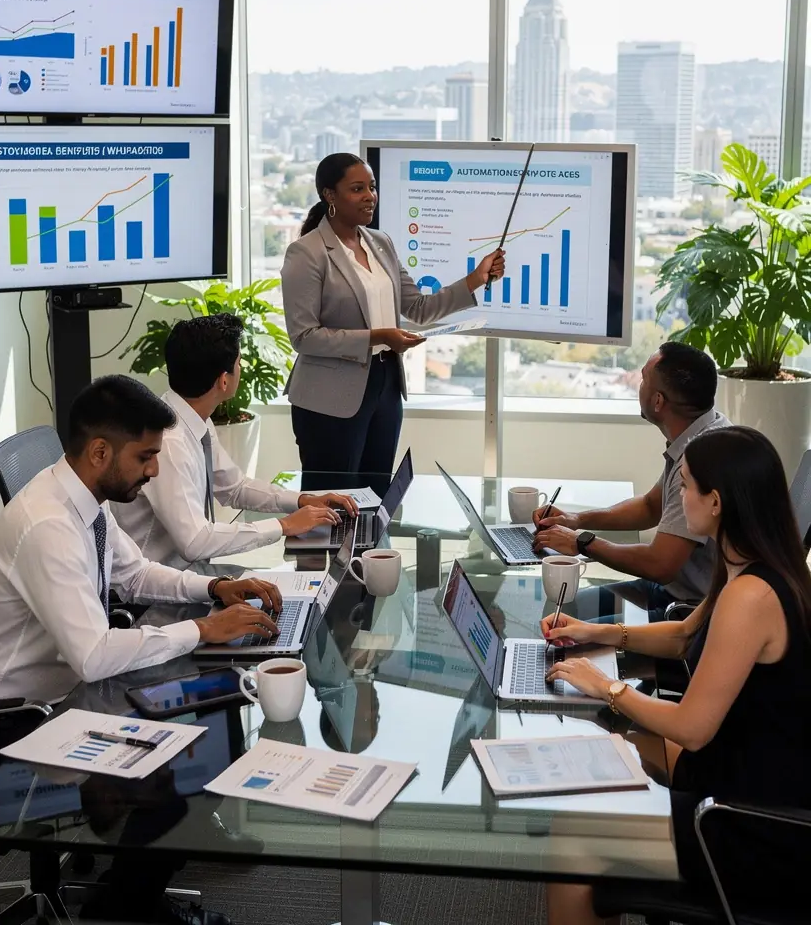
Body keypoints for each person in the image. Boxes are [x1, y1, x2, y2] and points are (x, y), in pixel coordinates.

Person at [540, 426, 811, 923]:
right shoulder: (754, 565)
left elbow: (691, 726)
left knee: (575, 833)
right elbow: (684, 635)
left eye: (685, 485)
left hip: (750, 821)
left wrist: (606, 687)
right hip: (742, 766)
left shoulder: (752, 596)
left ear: (715, 502)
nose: (677, 496)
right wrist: (592, 633)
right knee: (596, 749)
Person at [0, 375, 285, 705]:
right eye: (145, 457)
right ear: (99, 452)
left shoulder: (84, 496)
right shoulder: (47, 525)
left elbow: (135, 575)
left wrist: (215, 586)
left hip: (81, 690)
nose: (155, 470)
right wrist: (203, 628)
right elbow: (94, 656)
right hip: (29, 717)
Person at [281, 152, 505, 491]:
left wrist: (475, 279)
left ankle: (368, 548)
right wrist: (378, 336)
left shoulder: (380, 243)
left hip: (384, 383)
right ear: (330, 195)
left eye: (372, 187)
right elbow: (305, 337)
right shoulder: (306, 253)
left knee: (377, 493)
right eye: (357, 188)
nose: (369, 196)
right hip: (329, 399)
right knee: (332, 504)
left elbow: (418, 307)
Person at [116, 313, 357, 569]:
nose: (241, 369)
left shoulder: (192, 418)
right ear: (223, 380)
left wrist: (301, 500)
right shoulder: (170, 443)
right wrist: (284, 525)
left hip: (188, 574)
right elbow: (195, 542)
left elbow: (234, 488)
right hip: (156, 590)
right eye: (239, 363)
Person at [533, 342, 729, 614]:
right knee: (564, 610)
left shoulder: (700, 459)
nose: (639, 385)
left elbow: (660, 565)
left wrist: (582, 542)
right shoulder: (706, 432)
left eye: (644, 379)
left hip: (690, 610)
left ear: (658, 401)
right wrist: (577, 519)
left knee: (562, 618)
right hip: (670, 591)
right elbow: (651, 506)